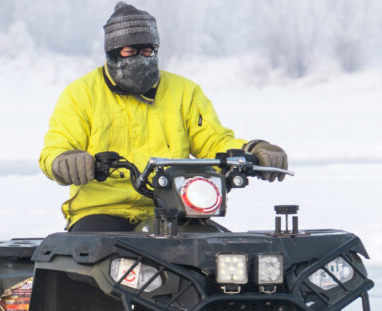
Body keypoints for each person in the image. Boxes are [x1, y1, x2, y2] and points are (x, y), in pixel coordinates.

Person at [39, 2, 288, 232]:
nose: (141, 59)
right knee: (91, 260)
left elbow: (214, 142)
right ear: (113, 53)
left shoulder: (184, 92)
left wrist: (252, 149)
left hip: (175, 206)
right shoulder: (81, 94)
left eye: (148, 51)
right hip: (101, 211)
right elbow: (55, 149)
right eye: (130, 51)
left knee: (224, 258)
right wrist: (66, 161)